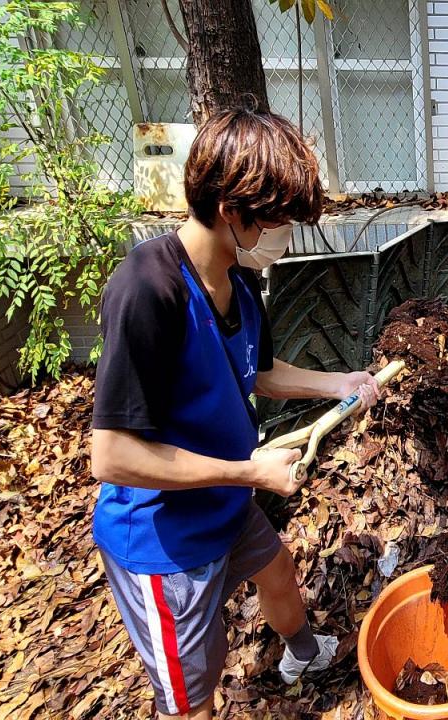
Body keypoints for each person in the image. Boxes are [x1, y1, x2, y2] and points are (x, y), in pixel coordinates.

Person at [90, 108, 381, 719]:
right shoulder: (147, 288)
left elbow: (261, 372)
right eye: (278, 222)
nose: (286, 237)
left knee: (277, 570)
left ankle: (301, 651)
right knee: (193, 697)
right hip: (164, 539)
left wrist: (341, 384)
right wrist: (249, 473)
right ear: (231, 210)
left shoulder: (240, 276)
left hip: (224, 499)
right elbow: (111, 456)